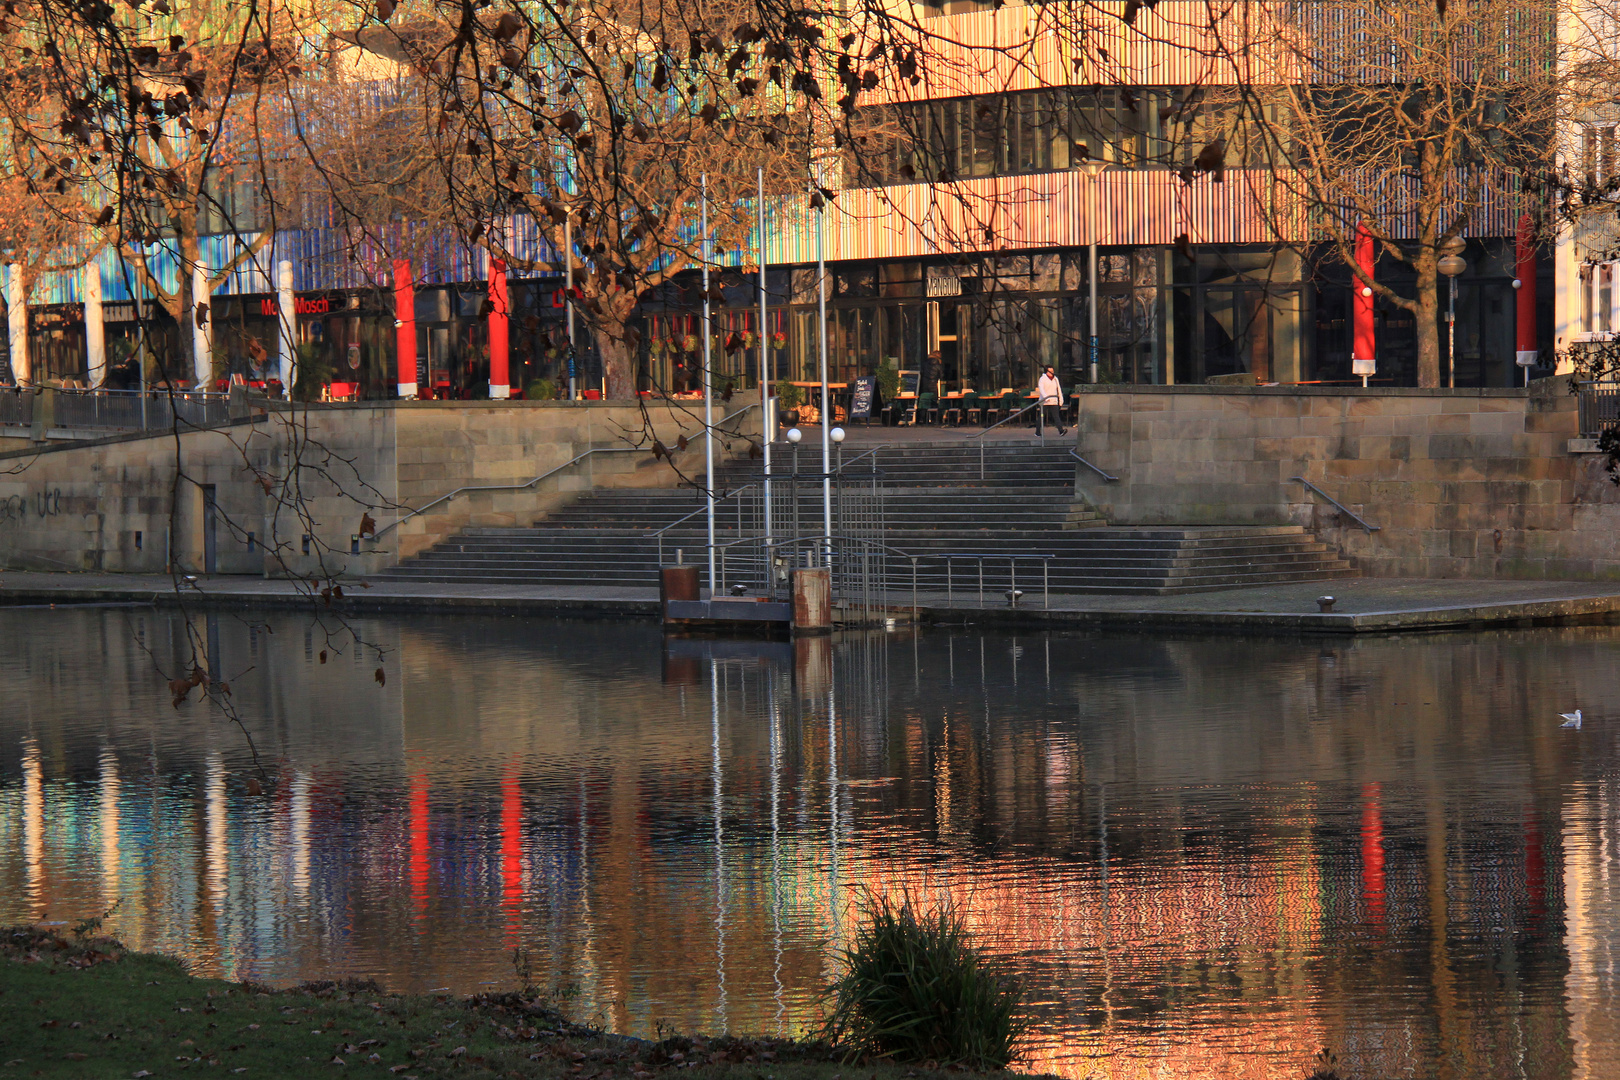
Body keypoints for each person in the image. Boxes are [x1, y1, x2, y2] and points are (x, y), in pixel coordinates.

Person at [1036, 364, 1066, 437]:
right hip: (1045, 401)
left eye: (1053, 371)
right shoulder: (1042, 379)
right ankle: (1037, 431)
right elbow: (1041, 389)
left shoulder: (1055, 378)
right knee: (1041, 416)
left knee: (1056, 416)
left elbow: (1059, 389)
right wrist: (1046, 397)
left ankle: (1061, 431)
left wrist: (1061, 399)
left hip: (1054, 400)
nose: (1052, 373)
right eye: (1050, 371)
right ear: (1046, 372)